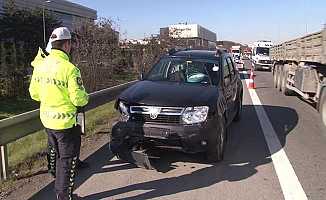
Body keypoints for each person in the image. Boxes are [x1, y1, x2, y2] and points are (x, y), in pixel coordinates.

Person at [29, 27, 89, 200]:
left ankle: (59, 186)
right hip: (65, 125)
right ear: (67, 44)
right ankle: (64, 197)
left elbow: (34, 94)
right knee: (67, 162)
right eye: (71, 44)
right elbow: (79, 100)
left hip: (47, 121)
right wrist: (84, 96)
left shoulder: (40, 65)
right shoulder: (70, 69)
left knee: (57, 156)